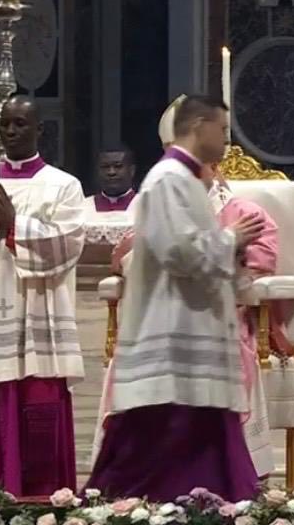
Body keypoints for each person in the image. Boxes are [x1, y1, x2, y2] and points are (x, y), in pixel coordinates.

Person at [87, 94, 266, 502]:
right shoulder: (168, 179)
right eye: (222, 129)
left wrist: (233, 252)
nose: (227, 140)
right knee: (152, 462)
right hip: (172, 342)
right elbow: (178, 252)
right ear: (199, 127)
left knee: (207, 448)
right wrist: (231, 239)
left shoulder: (187, 180)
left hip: (194, 338)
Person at [0, 96, 87, 496]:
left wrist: (14, 226)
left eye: (20, 123)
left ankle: (40, 504)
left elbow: (68, 242)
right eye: (5, 123)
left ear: (39, 130)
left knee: (39, 404)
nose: (10, 131)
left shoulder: (64, 185)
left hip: (41, 322)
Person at [85, 146, 137, 223]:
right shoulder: (83, 207)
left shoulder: (145, 205)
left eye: (118, 166)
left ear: (132, 170)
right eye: (105, 167)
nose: (111, 172)